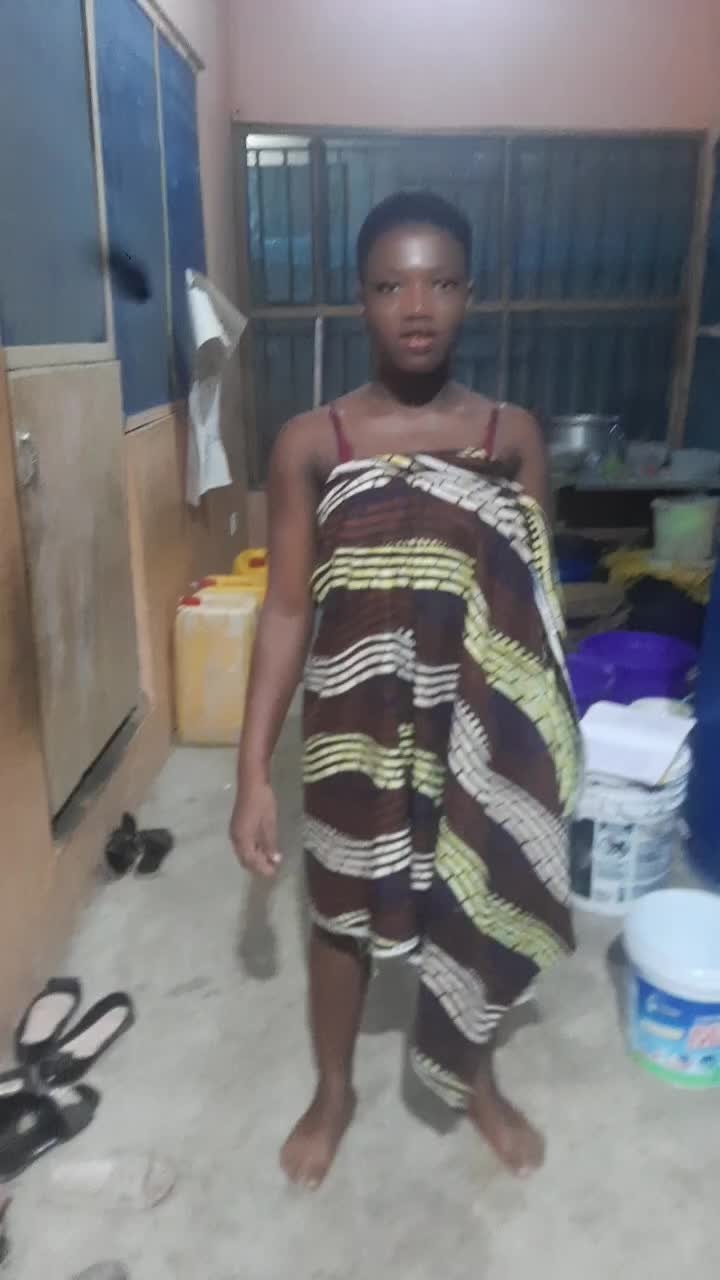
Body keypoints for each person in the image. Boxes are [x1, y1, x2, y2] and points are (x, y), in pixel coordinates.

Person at [231, 191, 579, 1188]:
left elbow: (534, 612)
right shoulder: (313, 442)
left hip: (474, 723)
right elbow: (286, 610)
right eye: (391, 285)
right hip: (352, 726)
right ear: (361, 299)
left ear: (470, 293)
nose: (416, 306)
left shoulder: (510, 437)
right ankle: (334, 1089)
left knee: (475, 895)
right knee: (339, 910)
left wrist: (546, 748)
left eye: (440, 282)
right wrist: (251, 773)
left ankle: (475, 1080)